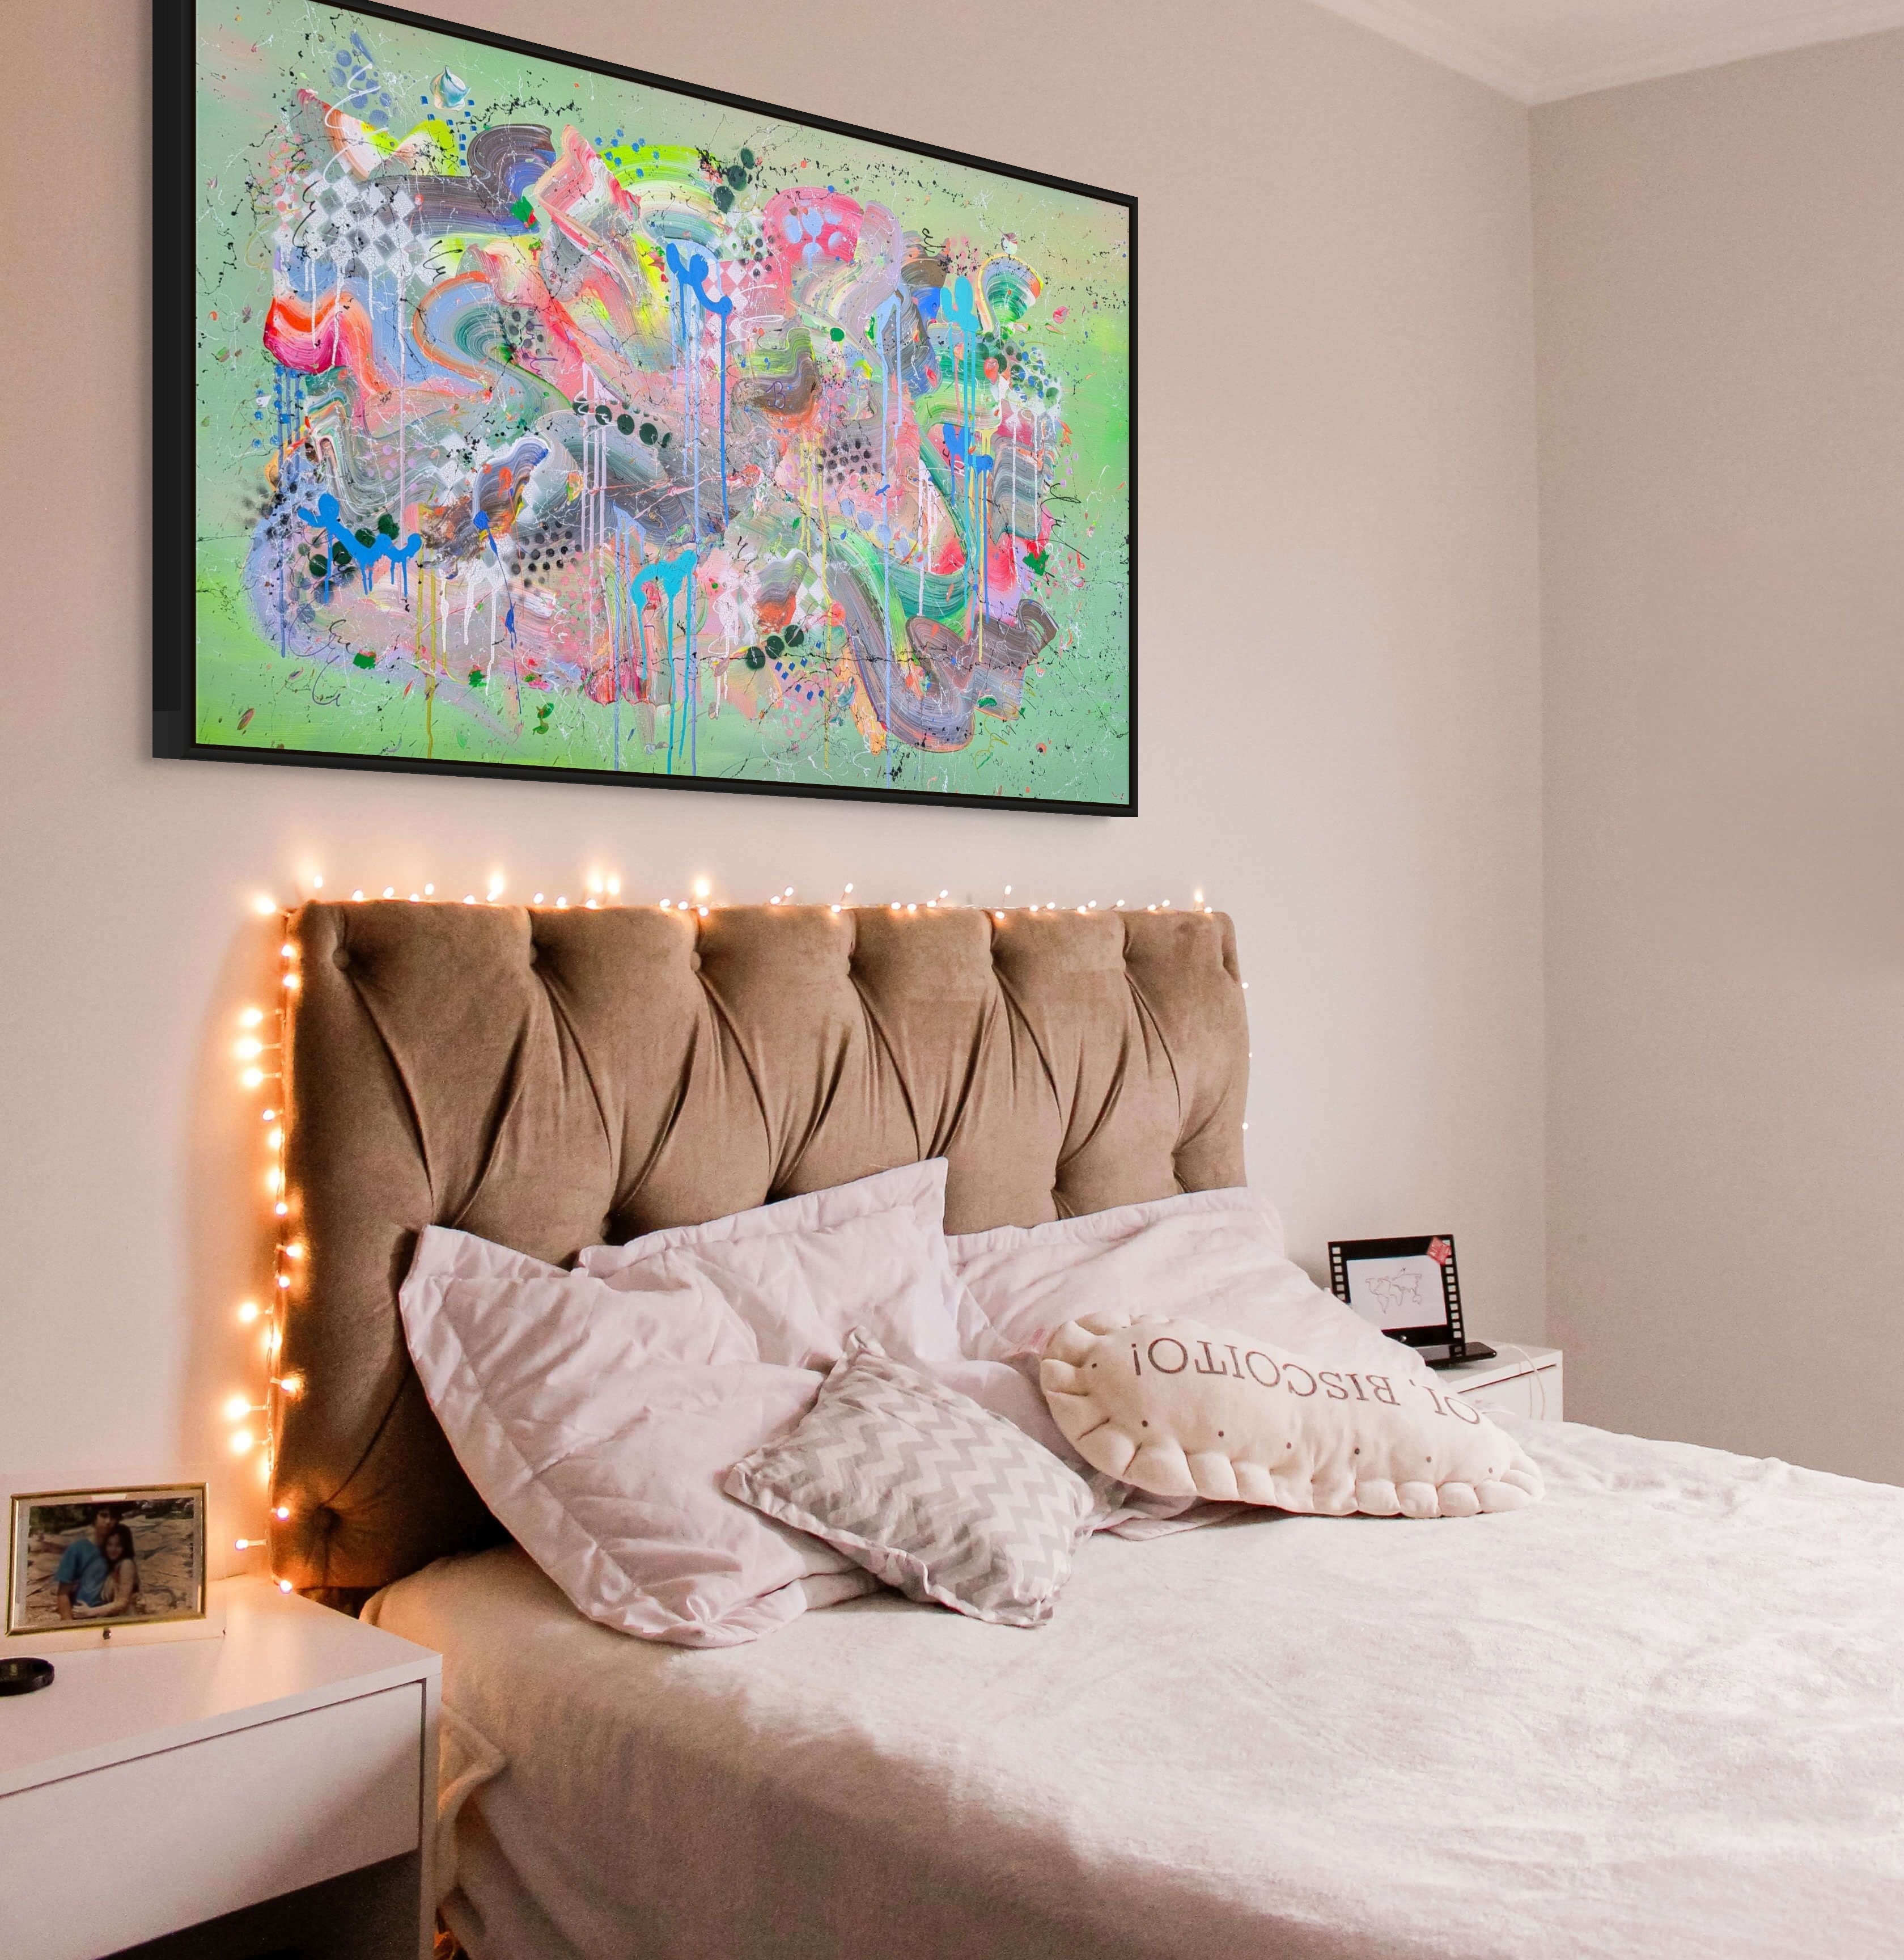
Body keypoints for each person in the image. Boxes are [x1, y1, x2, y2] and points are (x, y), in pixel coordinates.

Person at [53, 1505, 118, 1620]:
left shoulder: (118, 1551)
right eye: (103, 1515)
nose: (108, 1521)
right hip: (82, 1617)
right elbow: (63, 1594)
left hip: (112, 1617)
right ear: (94, 1518)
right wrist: (70, 1628)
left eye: (113, 1517)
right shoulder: (77, 1549)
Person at [77, 1522, 140, 1618]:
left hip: (127, 1620)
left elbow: (122, 1603)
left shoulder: (127, 1564)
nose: (113, 1549)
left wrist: (90, 1612)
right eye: (110, 1545)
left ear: (125, 1547)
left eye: (118, 1545)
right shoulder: (113, 1565)